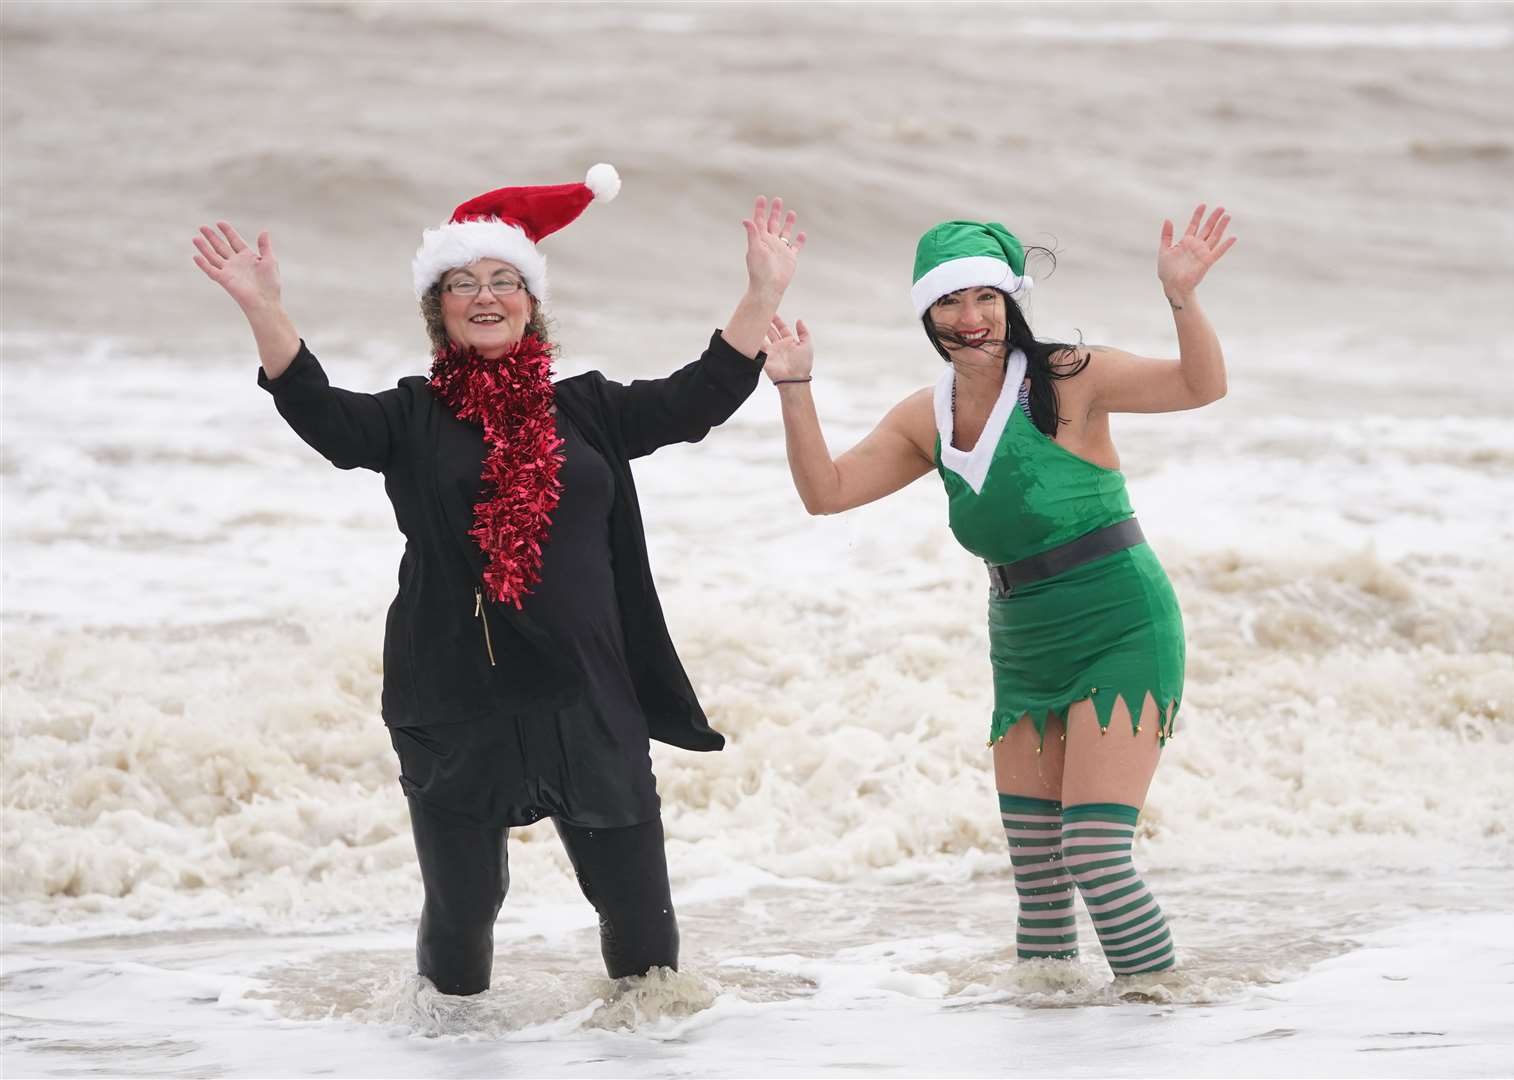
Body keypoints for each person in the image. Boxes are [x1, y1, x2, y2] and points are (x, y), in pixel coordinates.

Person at [191, 166, 808, 995]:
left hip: (587, 689)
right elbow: (322, 415)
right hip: (453, 693)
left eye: (504, 280)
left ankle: (646, 1052)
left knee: (638, 914)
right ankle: (450, 1048)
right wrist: (263, 308)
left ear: (531, 302)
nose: (486, 295)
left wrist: (761, 291)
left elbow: (693, 398)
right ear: (437, 311)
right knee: (464, 906)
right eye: (462, 283)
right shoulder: (410, 416)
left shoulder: (587, 407)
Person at [763, 205, 1234, 976]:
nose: (971, 317)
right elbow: (827, 491)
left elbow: (1199, 386)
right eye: (950, 301)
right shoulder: (927, 417)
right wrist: (794, 387)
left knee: (1094, 855)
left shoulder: (1068, 377)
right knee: (1039, 877)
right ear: (928, 313)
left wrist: (1181, 296)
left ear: (1009, 302)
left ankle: (1158, 1019)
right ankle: (1046, 1036)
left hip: (1120, 624)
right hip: (1023, 642)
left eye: (986, 298)